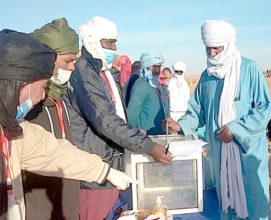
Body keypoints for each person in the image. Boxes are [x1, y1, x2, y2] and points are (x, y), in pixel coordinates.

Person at [0, 29, 137, 220]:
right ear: (20, 85)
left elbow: (54, 152)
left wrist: (105, 172)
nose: (41, 96)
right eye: (41, 87)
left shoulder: (14, 132)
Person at [63, 17, 172, 220]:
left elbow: (117, 115)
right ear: (93, 42)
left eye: (115, 42)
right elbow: (106, 121)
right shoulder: (84, 73)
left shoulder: (103, 72)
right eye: (109, 43)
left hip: (112, 166)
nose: (114, 47)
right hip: (95, 172)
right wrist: (147, 146)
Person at [165, 20, 271, 219]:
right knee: (226, 205)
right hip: (219, 155)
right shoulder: (207, 77)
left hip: (247, 156)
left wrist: (236, 129)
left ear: (229, 44)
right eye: (208, 49)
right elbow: (197, 110)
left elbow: (264, 109)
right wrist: (180, 125)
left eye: (217, 48)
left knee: (254, 206)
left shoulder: (249, 69)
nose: (212, 53)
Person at [21, 17, 80, 220]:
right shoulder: (28, 105)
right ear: (47, 59)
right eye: (67, 61)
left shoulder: (60, 98)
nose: (72, 67)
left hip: (67, 205)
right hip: (39, 210)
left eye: (75, 61)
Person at [126, 50, 170, 135]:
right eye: (154, 66)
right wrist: (136, 132)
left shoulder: (158, 86)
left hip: (161, 135)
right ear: (146, 65)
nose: (157, 70)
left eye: (159, 67)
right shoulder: (141, 84)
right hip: (146, 138)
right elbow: (131, 114)